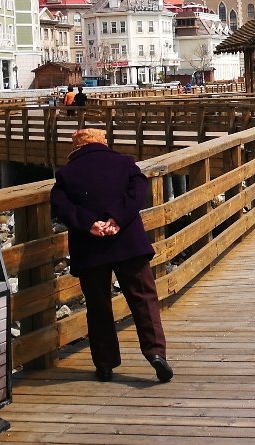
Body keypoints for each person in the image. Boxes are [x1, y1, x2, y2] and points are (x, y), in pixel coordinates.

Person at [49, 128, 173, 383]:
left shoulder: (66, 173)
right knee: (143, 298)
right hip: (128, 242)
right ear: (103, 142)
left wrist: (90, 224)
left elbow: (61, 206)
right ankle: (155, 353)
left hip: (89, 246)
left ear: (76, 148)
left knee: (98, 306)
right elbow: (138, 191)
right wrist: (116, 218)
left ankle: (105, 364)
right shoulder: (124, 163)